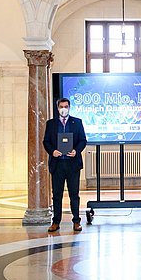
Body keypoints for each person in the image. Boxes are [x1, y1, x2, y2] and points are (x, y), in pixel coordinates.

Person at [43, 98, 87, 232]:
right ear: (57, 108)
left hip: (72, 165)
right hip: (57, 165)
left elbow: (83, 140)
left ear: (69, 108)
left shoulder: (77, 122)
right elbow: (46, 141)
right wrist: (52, 151)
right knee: (57, 195)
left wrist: (76, 151)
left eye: (66, 106)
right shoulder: (51, 124)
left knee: (74, 194)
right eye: (61, 106)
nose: (63, 109)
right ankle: (56, 222)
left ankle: (76, 221)